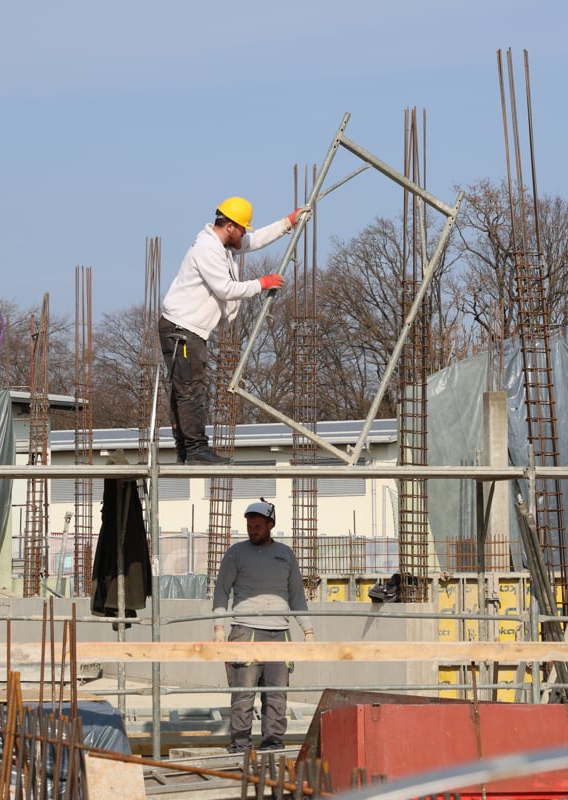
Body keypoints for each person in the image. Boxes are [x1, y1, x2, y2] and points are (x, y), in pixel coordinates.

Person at [159, 196, 310, 464]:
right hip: (183, 328)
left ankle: (188, 449)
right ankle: (194, 450)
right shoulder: (207, 249)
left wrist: (288, 222)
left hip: (188, 328)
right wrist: (262, 283)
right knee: (189, 389)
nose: (244, 234)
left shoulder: (223, 245)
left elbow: (256, 240)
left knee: (185, 388)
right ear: (229, 226)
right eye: (242, 228)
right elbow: (226, 289)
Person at [212, 499, 314, 753]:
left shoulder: (286, 554)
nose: (252, 530)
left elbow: (297, 596)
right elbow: (221, 592)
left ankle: (273, 744)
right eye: (249, 526)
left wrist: (308, 631)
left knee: (277, 696)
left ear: (271, 525)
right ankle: (240, 745)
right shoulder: (236, 553)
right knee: (243, 695)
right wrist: (219, 628)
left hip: (280, 633)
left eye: (257, 526)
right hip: (246, 631)